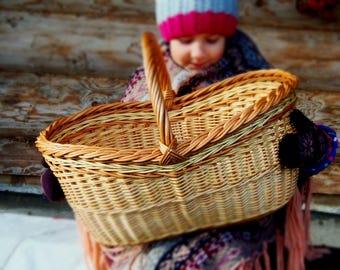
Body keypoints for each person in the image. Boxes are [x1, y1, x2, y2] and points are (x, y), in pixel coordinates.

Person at [40, 0, 338, 269]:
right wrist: (71, 177)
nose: (198, 52)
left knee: (229, 248)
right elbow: (118, 132)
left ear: (228, 37)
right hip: (155, 206)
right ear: (168, 39)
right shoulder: (152, 77)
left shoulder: (248, 77)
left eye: (212, 40)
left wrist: (308, 146)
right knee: (147, 255)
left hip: (237, 199)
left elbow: (297, 128)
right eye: (185, 40)